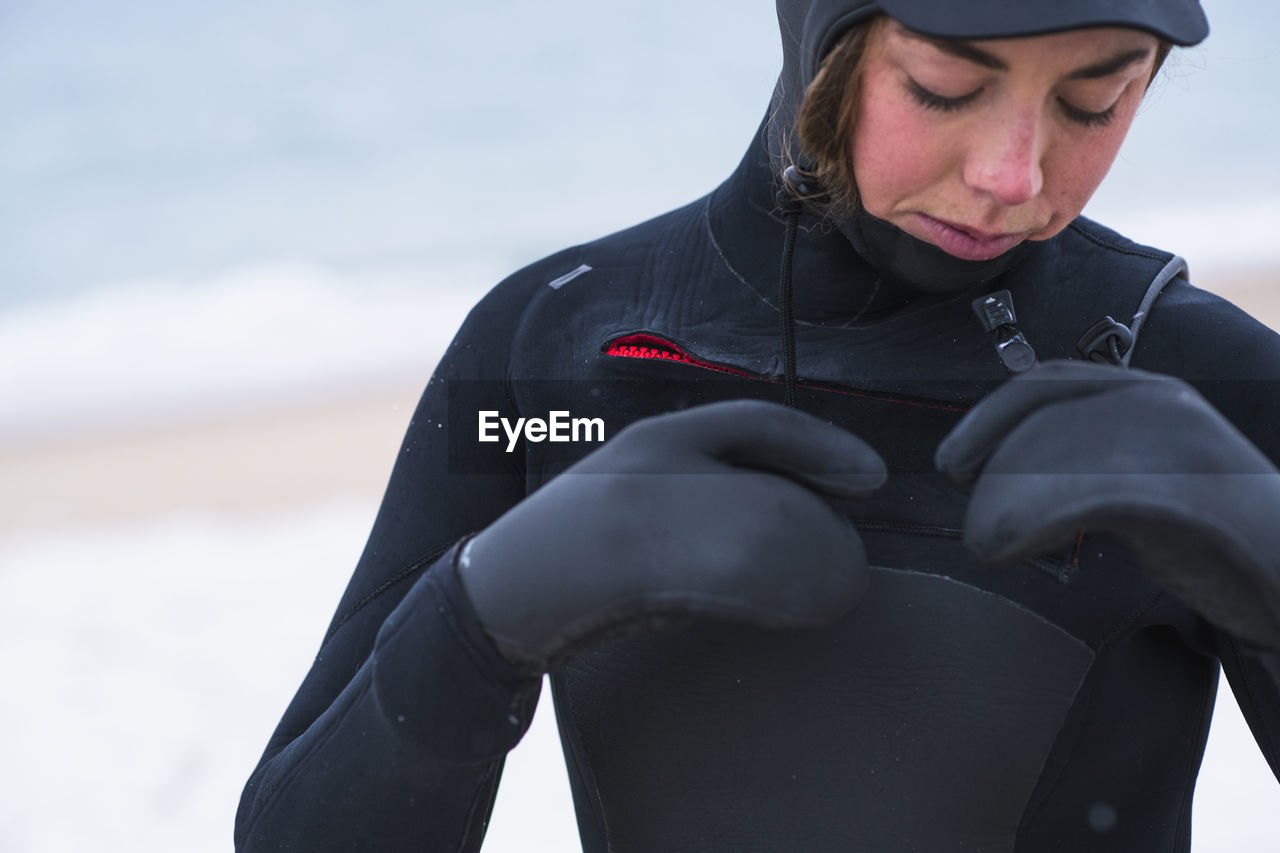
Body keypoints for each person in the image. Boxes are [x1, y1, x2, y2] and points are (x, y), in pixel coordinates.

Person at [236, 1, 1280, 849]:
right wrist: (475, 620)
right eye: (941, 88)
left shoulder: (1197, 378)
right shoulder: (548, 351)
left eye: (1095, 102)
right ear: (820, 36)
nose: (1010, 174)